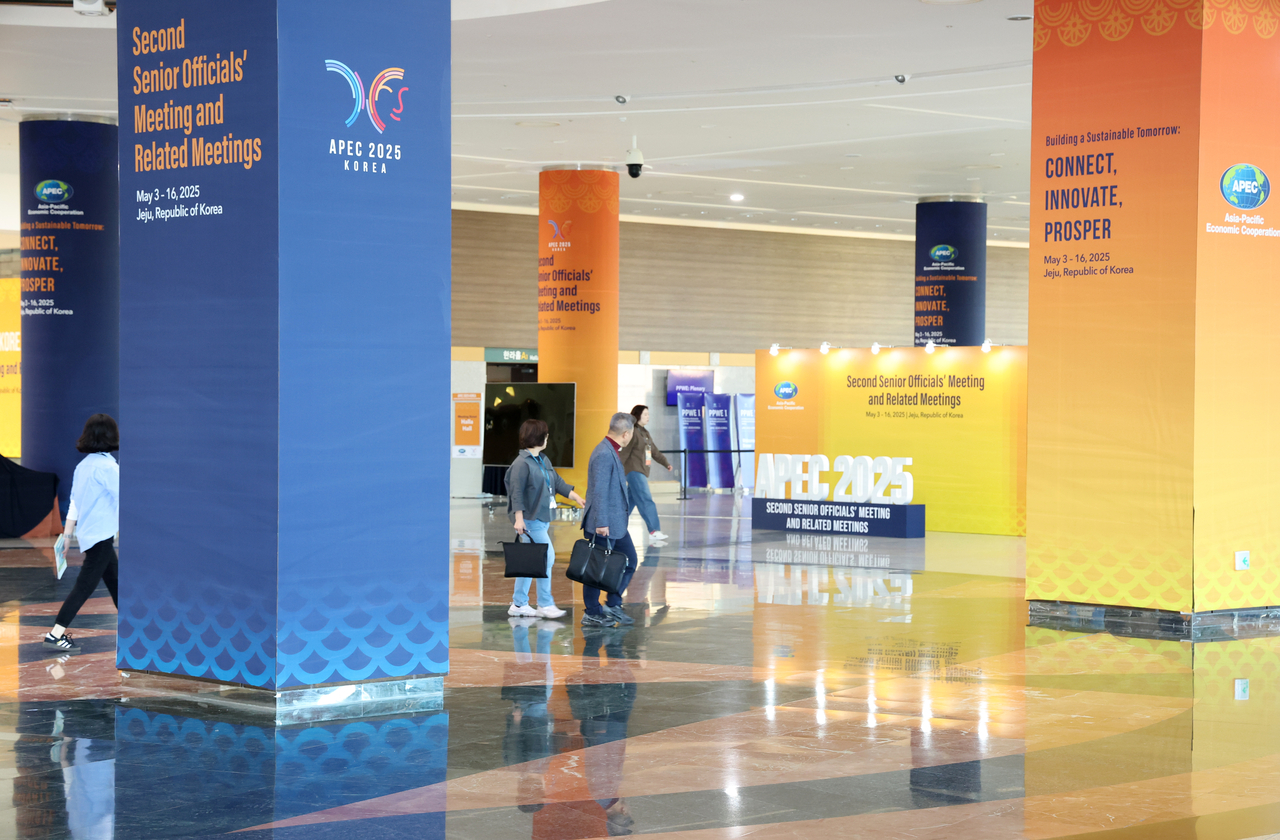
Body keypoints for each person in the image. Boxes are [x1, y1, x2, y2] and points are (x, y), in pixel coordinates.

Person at [45, 414, 119, 653]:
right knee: (85, 586)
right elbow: (124, 499)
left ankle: (134, 627)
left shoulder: (83, 466)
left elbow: (74, 503)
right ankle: (55, 633)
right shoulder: (108, 467)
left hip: (91, 536)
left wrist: (67, 537)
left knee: (116, 582)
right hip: (102, 536)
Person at [507, 418, 585, 619]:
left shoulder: (543, 460)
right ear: (538, 437)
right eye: (546, 435)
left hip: (542, 518)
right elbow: (516, 493)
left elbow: (557, 482)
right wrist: (518, 519)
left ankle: (518, 604)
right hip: (530, 520)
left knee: (529, 562)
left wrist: (576, 497)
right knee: (546, 557)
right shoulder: (521, 464)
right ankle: (545, 603)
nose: (548, 438)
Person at [579, 413, 640, 628]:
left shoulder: (611, 450)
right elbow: (599, 492)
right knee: (596, 571)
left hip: (616, 524)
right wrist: (601, 522)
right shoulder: (604, 453)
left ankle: (613, 604)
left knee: (629, 560)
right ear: (626, 434)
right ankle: (592, 612)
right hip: (603, 524)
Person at [619, 405, 673, 544]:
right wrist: (616, 469)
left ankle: (616, 525)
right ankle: (654, 531)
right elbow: (624, 452)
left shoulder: (645, 433)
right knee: (645, 499)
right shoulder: (632, 432)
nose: (648, 417)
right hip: (634, 471)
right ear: (637, 416)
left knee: (629, 501)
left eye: (648, 414)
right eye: (646, 414)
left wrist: (665, 463)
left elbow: (654, 451)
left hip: (642, 471)